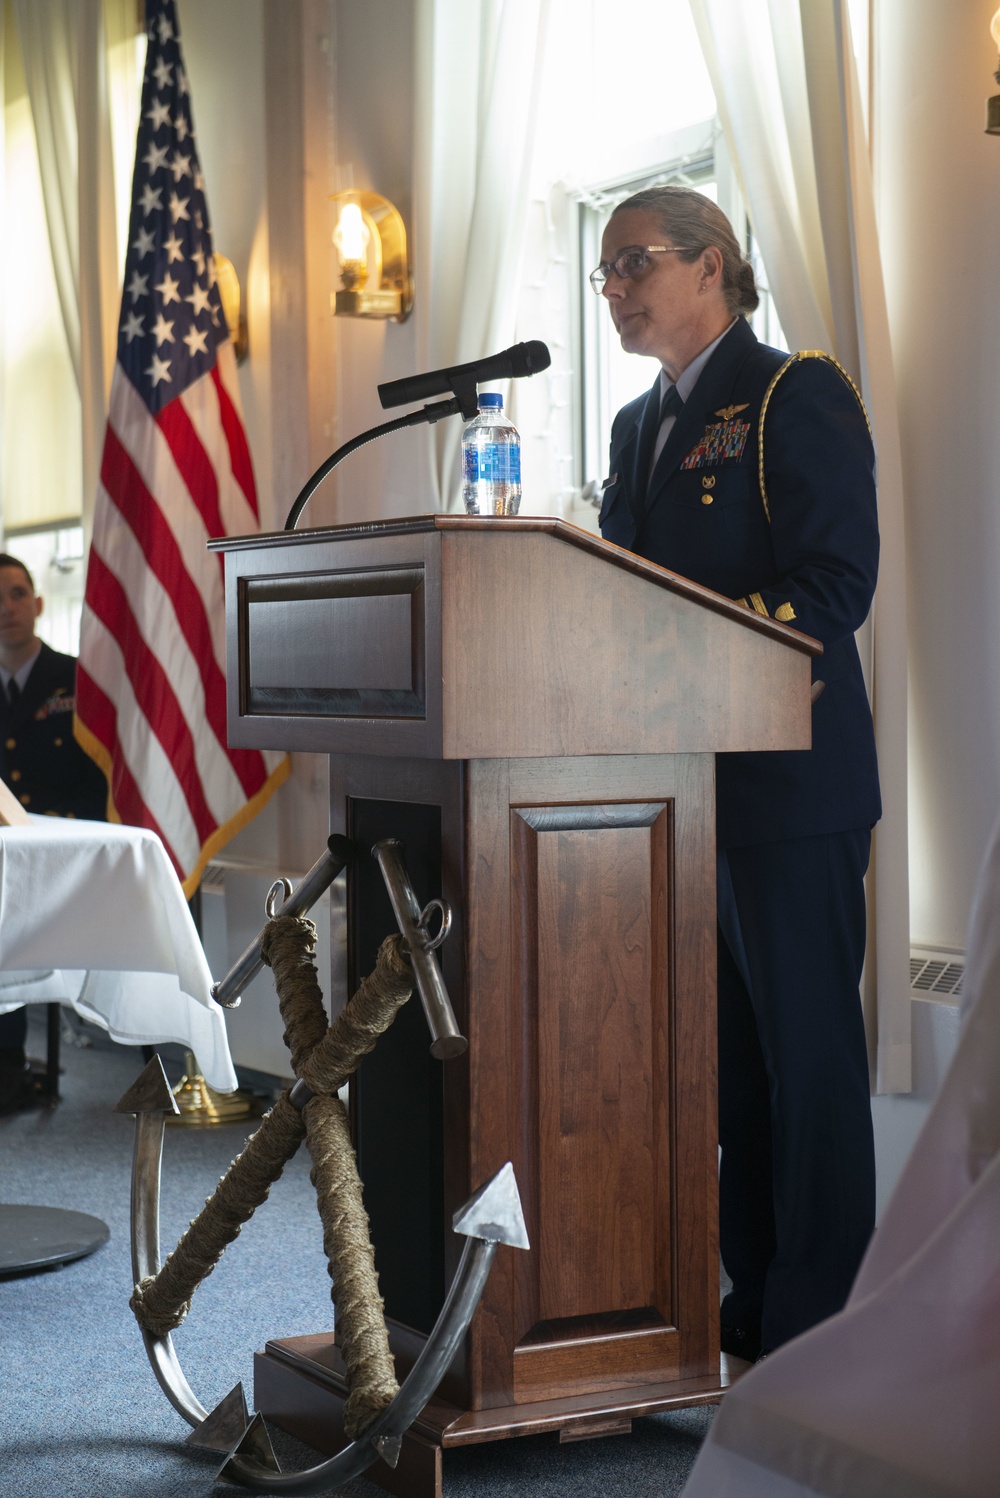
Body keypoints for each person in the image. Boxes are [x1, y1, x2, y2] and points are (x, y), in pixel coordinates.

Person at [594, 187, 881, 1360]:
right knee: (730, 1073)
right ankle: (753, 1300)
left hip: (787, 782)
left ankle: (821, 1323)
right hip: (682, 789)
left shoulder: (790, 394)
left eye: (632, 265)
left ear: (710, 267)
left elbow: (834, 585)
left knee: (806, 1060)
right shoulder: (632, 426)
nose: (613, 289)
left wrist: (695, 656)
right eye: (605, 272)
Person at [0, 551, 108, 1113]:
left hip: (69, 854)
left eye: (17, 594)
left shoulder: (75, 681)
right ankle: (8, 1065)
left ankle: (8, 1066)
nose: (8, 608)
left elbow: (99, 779)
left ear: (39, 604)